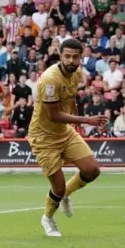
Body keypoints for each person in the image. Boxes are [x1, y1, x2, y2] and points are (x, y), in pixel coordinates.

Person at [28, 39, 109, 237]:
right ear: (60, 55)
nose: (71, 60)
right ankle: (47, 219)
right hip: (43, 137)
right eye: (67, 56)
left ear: (81, 57)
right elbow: (54, 115)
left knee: (92, 170)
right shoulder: (49, 79)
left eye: (75, 57)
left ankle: (66, 195)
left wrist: (76, 122)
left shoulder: (76, 73)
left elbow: (71, 98)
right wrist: (86, 120)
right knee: (58, 186)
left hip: (64, 131)